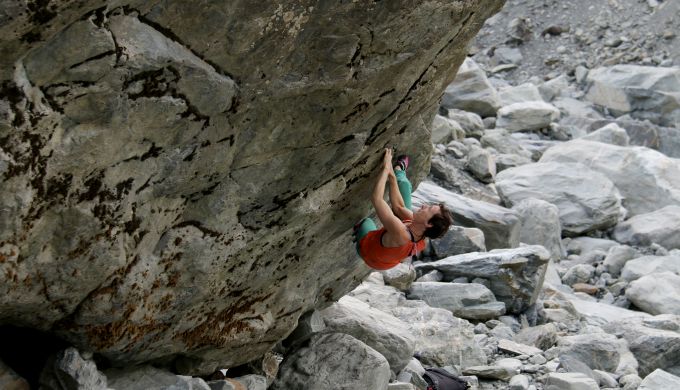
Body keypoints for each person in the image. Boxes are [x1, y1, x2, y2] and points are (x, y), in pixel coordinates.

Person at [354, 148, 453, 270]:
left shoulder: (401, 233)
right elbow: (398, 207)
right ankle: (399, 171)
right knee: (404, 189)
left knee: (366, 222)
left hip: (369, 255)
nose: (423, 206)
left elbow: (377, 199)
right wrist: (392, 177)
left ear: (428, 224)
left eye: (429, 209)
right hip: (387, 261)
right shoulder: (421, 234)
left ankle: (358, 231)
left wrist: (385, 168)